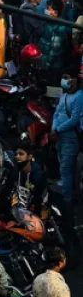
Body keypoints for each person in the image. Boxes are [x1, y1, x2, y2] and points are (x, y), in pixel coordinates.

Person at [51, 71, 81, 204]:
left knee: (65, 169)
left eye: (69, 78)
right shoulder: (64, 96)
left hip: (70, 138)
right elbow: (56, 113)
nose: (66, 81)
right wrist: (53, 127)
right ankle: (69, 193)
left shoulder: (79, 97)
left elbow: (74, 119)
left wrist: (58, 129)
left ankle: (67, 200)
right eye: (64, 78)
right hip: (59, 137)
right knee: (65, 167)